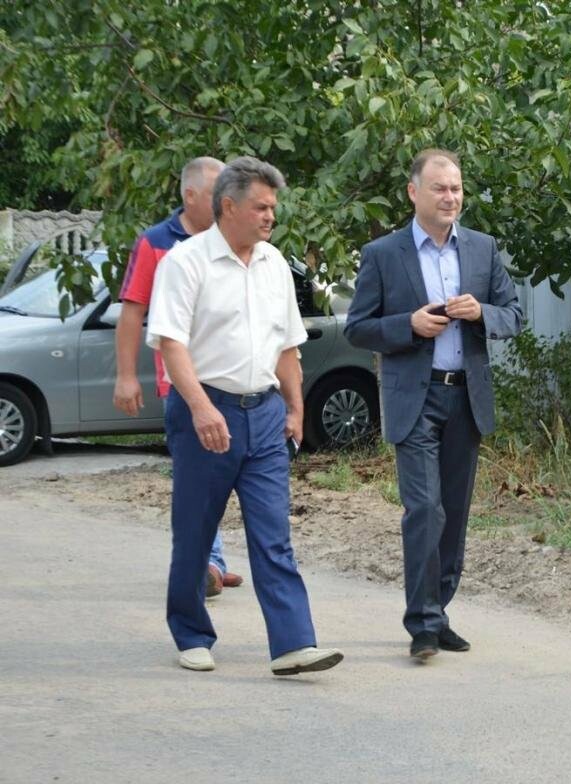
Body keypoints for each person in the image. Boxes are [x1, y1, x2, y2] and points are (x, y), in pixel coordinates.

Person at [146, 156, 343, 676]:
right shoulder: (185, 263)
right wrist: (200, 407)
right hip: (206, 412)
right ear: (228, 207)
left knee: (274, 534)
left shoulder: (275, 263)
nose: (270, 216)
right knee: (196, 531)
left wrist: (296, 408)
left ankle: (294, 644)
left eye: (273, 207)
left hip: (265, 415)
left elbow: (287, 346)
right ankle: (191, 634)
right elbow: (171, 344)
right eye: (261, 207)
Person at [344, 148, 522, 661]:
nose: (450, 197)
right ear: (413, 192)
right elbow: (358, 328)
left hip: (466, 397)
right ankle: (422, 624)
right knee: (424, 508)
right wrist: (409, 325)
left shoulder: (483, 249)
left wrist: (481, 312)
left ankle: (437, 611)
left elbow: (514, 314)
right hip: (415, 400)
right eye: (440, 188)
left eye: (457, 188)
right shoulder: (383, 253)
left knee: (455, 512)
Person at [113, 156, 243, 598]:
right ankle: (208, 563)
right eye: (217, 193)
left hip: (237, 383)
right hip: (183, 385)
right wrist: (126, 376)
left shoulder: (235, 239)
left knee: (224, 474)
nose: (228, 201)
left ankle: (211, 560)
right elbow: (133, 312)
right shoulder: (156, 243)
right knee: (199, 473)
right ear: (190, 195)